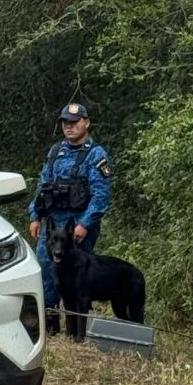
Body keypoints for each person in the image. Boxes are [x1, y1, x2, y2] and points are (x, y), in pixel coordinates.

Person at [29, 102, 112, 334]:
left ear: (86, 122)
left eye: (74, 122)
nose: (69, 127)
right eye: (66, 123)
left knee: (78, 278)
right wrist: (35, 216)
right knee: (47, 271)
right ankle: (50, 324)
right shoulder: (56, 151)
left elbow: (101, 196)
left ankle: (77, 329)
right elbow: (42, 186)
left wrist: (85, 224)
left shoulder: (96, 155)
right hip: (53, 225)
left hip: (78, 226)